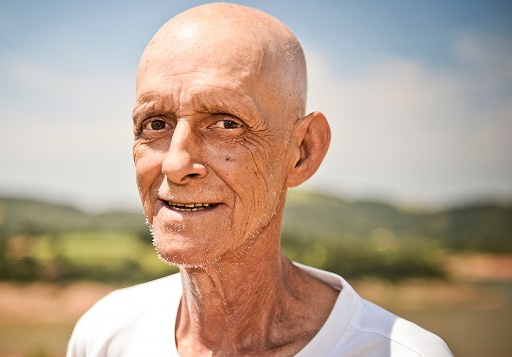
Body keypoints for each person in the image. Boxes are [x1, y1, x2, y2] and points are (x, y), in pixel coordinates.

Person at [67, 3, 453, 356]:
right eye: (155, 123)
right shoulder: (105, 334)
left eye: (226, 123)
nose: (174, 163)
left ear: (302, 151)